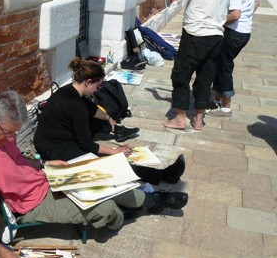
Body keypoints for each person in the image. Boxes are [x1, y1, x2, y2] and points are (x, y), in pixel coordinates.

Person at [0, 90, 188, 258]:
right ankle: (132, 209)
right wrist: (5, 255)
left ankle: (151, 200)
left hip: (46, 179)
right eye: (9, 132)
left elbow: (18, 161)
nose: (11, 138)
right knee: (106, 208)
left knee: (105, 174)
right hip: (33, 204)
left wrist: (46, 163)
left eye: (15, 133)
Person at [33, 57, 186, 185]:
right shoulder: (76, 106)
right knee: (107, 164)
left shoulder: (68, 90)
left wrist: (110, 119)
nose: (97, 90)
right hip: (53, 149)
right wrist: (115, 152)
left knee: (96, 123)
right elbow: (86, 144)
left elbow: (93, 108)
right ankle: (164, 175)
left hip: (49, 139)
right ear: (88, 82)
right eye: (97, 86)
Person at [163, 0, 230, 131]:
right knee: (205, 77)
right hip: (216, 34)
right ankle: (199, 119)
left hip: (196, 31)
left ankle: (180, 118)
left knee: (181, 75)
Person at [206, 0, 260, 118]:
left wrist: (215, 21)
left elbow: (235, 14)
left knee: (224, 67)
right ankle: (217, 99)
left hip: (233, 32)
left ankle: (226, 108)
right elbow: (256, 3)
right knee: (220, 65)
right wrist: (246, 19)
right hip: (244, 32)